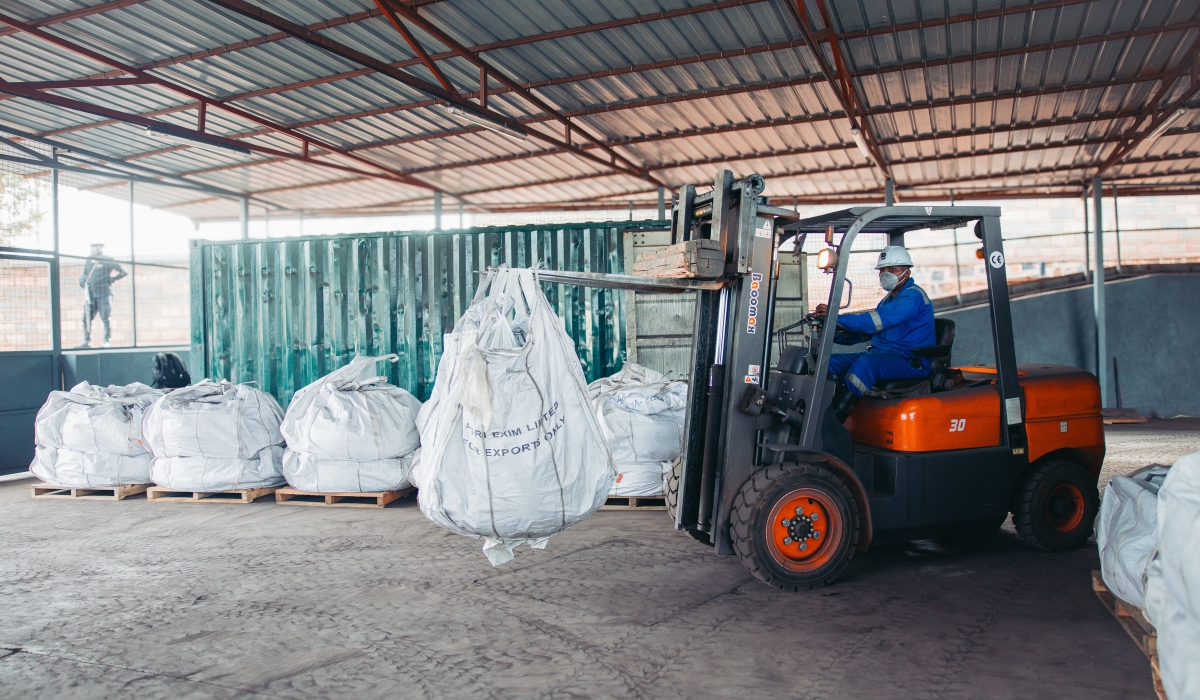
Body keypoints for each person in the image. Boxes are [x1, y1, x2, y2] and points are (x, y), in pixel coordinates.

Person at [811, 245, 935, 422]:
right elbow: (865, 333)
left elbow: (875, 321)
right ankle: (815, 411)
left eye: (892, 269)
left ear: (907, 272)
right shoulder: (888, 300)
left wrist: (835, 316)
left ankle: (834, 421)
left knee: (865, 365)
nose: (886, 274)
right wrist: (833, 332)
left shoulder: (912, 297)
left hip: (909, 359)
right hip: (881, 354)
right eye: (882, 270)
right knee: (826, 362)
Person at [78, 241, 127, 348]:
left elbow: (123, 271)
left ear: (100, 247)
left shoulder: (107, 259)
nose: (92, 249)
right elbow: (85, 274)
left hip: (104, 293)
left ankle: (107, 341)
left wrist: (112, 279)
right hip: (91, 295)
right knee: (86, 317)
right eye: (91, 246)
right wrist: (82, 280)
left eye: (94, 246)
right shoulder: (89, 259)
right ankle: (87, 341)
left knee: (106, 318)